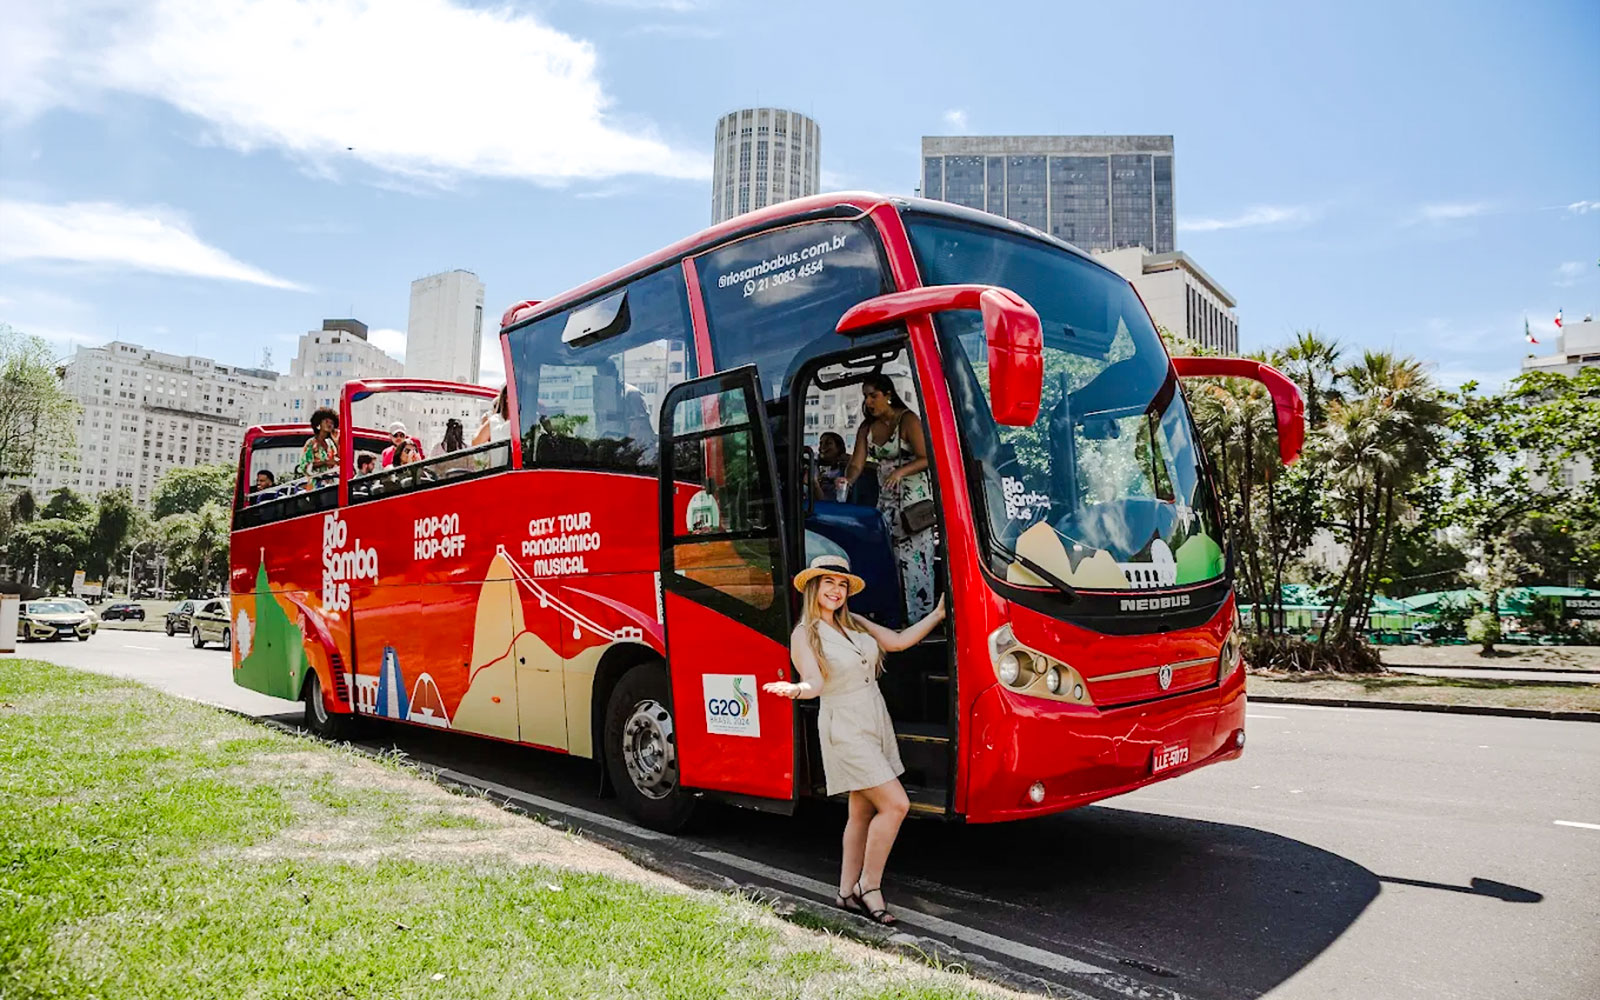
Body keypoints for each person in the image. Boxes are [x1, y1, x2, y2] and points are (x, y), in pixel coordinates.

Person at [763, 554, 946, 926]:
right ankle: (870, 886)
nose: (836, 590)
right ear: (814, 586)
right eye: (829, 583)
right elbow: (814, 684)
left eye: (842, 584)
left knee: (861, 811)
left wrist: (939, 615)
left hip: (873, 717)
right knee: (896, 805)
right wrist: (794, 689)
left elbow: (896, 643)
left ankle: (846, 891)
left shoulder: (855, 623)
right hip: (844, 725)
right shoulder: (806, 633)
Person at [838, 374, 937, 620]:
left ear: (888, 394)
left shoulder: (908, 420)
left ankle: (920, 619)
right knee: (888, 560)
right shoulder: (866, 428)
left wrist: (900, 471)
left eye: (874, 395)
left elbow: (926, 457)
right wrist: (847, 479)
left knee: (916, 562)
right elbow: (857, 463)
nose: (869, 402)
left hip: (913, 501)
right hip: (886, 500)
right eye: (866, 397)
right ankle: (893, 616)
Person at [301, 408, 340, 486]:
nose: (329, 424)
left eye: (332, 423)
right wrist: (325, 462)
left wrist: (337, 442)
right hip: (315, 486)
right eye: (326, 421)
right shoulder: (311, 443)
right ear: (319, 423)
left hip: (330, 486)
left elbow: (338, 461)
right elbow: (305, 466)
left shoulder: (330, 444)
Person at [810, 431, 849, 500]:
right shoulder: (814, 467)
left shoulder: (845, 469)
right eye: (821, 443)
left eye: (828, 443)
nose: (822, 446)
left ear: (839, 448)